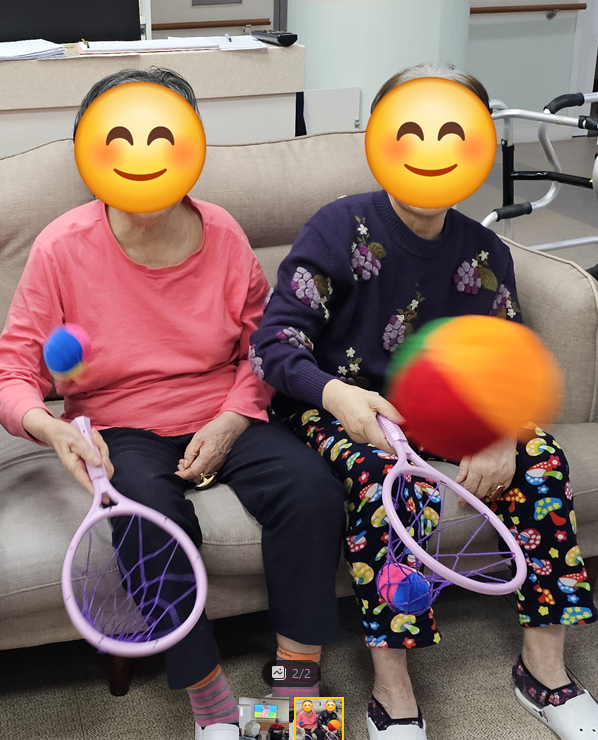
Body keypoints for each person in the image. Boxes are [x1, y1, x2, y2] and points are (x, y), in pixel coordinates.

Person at [250, 62, 598, 740]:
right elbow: (274, 345)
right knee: (389, 485)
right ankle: (393, 690)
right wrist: (339, 396)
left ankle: (544, 673)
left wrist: (501, 433)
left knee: (543, 461)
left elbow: (509, 364)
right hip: (344, 406)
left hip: (445, 408)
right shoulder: (336, 228)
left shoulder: (486, 250)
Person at [0, 68, 346, 740]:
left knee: (312, 489)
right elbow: (13, 371)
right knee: (147, 515)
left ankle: (296, 690)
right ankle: (211, 704)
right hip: (119, 422)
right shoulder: (60, 247)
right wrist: (49, 426)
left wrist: (234, 417)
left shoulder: (224, 233)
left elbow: (264, 347)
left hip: (225, 407)